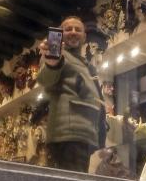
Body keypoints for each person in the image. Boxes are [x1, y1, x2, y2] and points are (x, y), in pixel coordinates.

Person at [36, 16, 104, 172]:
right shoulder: (59, 55)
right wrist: (53, 64)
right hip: (69, 135)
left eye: (78, 29)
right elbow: (45, 79)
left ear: (84, 36)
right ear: (60, 34)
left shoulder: (84, 63)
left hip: (82, 135)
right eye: (68, 29)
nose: (73, 32)